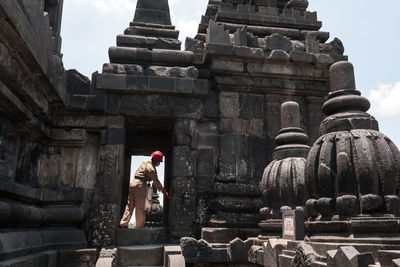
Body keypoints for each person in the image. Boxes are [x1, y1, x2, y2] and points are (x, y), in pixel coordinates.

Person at [120, 151, 169, 228]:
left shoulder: (145, 162)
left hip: (133, 182)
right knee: (140, 206)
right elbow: (156, 181)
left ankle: (123, 223)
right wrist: (163, 191)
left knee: (130, 205)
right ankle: (139, 227)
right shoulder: (151, 168)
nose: (158, 163)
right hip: (140, 184)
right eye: (158, 161)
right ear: (155, 160)